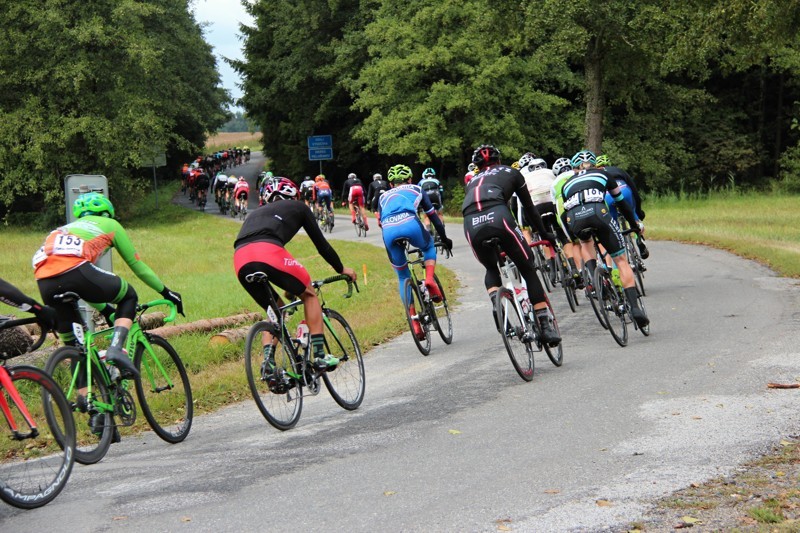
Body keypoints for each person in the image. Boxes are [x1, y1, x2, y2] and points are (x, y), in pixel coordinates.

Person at [33, 192, 183, 378]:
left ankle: (83, 394)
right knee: (128, 296)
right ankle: (116, 349)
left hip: (44, 282)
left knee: (76, 350)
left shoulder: (64, 229)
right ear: (106, 213)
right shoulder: (110, 224)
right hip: (76, 271)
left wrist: (105, 310)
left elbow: (85, 287)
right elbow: (138, 267)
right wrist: (166, 292)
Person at [233, 178, 357, 375]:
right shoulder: (299, 207)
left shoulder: (254, 213)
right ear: (294, 195)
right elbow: (322, 245)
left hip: (240, 259)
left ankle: (268, 363)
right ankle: (319, 356)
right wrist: (341, 268)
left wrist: (290, 286)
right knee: (309, 294)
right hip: (268, 252)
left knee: (276, 310)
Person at [461, 144, 561, 346]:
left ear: (477, 167)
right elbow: (529, 209)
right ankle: (545, 326)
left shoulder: (472, 181)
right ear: (498, 160)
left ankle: (497, 304)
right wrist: (545, 234)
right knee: (527, 268)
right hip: (499, 217)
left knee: (491, 268)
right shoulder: (511, 172)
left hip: (470, 223)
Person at [561, 150, 648, 327]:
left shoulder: (566, 184)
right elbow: (621, 202)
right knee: (621, 260)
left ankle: (595, 279)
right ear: (595, 165)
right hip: (598, 213)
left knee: (585, 242)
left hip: (574, 219)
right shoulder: (603, 174)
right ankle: (635, 308)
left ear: (574, 168)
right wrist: (634, 224)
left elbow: (566, 211)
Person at [378, 164, 453, 340]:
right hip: (410, 223)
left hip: (389, 231)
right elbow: (434, 217)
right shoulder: (417, 189)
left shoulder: (383, 196)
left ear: (391, 184)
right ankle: (429, 280)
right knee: (428, 247)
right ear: (410, 180)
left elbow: (381, 223)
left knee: (402, 277)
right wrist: (444, 238)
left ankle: (414, 321)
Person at [595, 154, 649, 259]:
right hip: (624, 190)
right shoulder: (618, 170)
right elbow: (634, 191)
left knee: (614, 228)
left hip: (608, 196)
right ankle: (639, 238)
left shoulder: (597, 175)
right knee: (633, 216)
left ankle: (620, 257)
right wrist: (638, 212)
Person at [418, 167, 444, 234]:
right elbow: (441, 193)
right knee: (439, 214)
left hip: (426, 197)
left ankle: (429, 229)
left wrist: (419, 206)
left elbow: (418, 193)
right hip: (435, 197)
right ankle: (440, 229)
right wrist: (441, 203)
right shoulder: (437, 181)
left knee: (426, 216)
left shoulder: (421, 182)